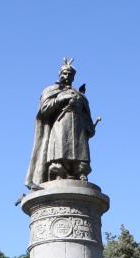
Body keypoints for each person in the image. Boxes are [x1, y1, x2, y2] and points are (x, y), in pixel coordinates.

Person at [25, 58, 97, 190]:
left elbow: (86, 115)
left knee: (80, 152)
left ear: (74, 77)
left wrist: (89, 127)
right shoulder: (51, 90)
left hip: (78, 128)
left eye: (70, 74)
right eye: (64, 73)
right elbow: (44, 110)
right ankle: (59, 173)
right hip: (60, 126)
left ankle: (80, 173)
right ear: (60, 74)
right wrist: (60, 98)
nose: (67, 76)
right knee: (59, 151)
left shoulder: (80, 96)